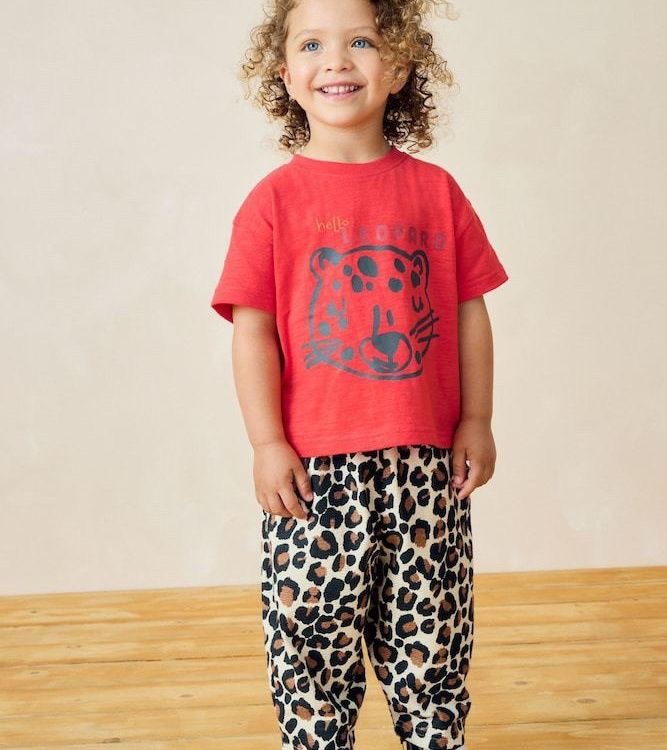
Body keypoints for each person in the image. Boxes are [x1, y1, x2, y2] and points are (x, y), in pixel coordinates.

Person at [210, 0, 510, 748]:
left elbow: (469, 314)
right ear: (286, 75)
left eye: (363, 42)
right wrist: (266, 443)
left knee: (432, 638)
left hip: (425, 466)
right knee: (310, 641)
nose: (337, 61)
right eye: (312, 45)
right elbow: (253, 332)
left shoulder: (437, 192)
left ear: (400, 65)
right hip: (314, 472)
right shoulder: (272, 203)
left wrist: (477, 419)